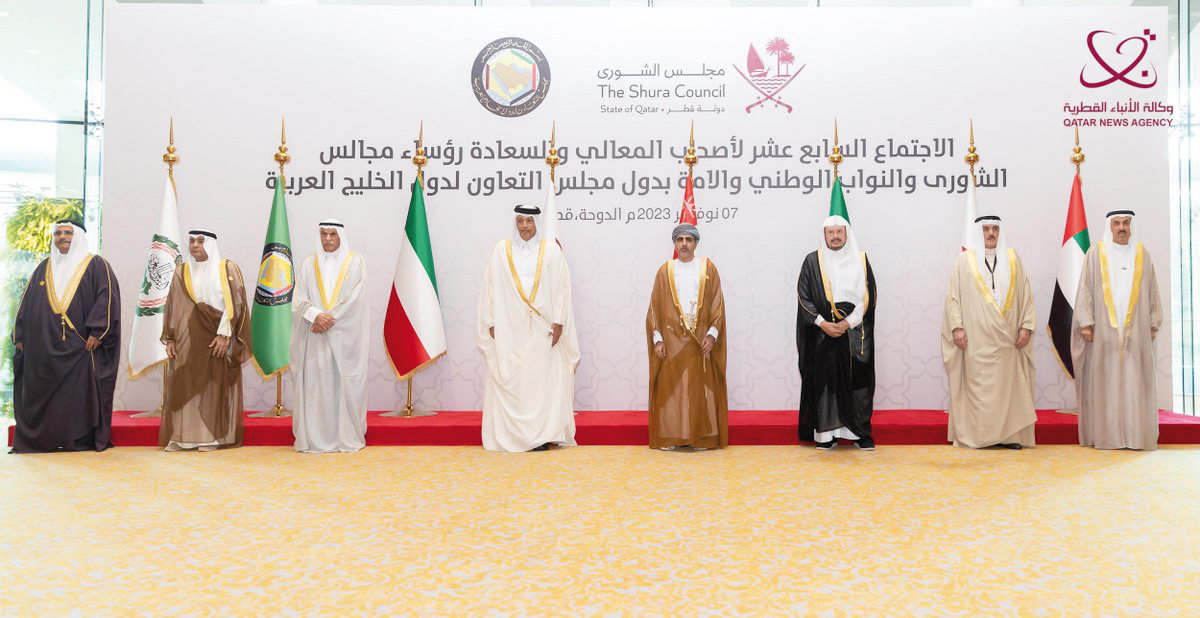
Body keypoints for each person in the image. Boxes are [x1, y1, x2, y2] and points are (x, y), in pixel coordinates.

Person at [11, 220, 120, 453]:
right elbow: (27, 303)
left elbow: (106, 299)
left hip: (81, 347)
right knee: (45, 394)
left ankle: (77, 439)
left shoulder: (96, 265)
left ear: (78, 236)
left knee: (77, 395)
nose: (63, 237)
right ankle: (46, 439)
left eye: (68, 233)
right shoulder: (44, 267)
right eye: (59, 233)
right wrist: (19, 335)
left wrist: (98, 331)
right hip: (44, 347)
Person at [477, 205, 579, 452]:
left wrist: (559, 322)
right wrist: (490, 321)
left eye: (529, 222)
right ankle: (512, 434)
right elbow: (489, 287)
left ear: (537, 224)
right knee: (514, 379)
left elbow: (563, 289)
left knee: (541, 381)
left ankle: (541, 435)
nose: (524, 226)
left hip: (544, 329)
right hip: (508, 327)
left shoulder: (552, 252)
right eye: (520, 221)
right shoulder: (501, 251)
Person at [941, 216, 1037, 449]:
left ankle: (1008, 437)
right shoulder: (964, 260)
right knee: (980, 390)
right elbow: (952, 297)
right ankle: (980, 437)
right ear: (978, 233)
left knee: (1007, 391)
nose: (990, 233)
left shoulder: (1013, 259)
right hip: (975, 339)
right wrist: (957, 327)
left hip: (1008, 339)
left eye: (995, 229)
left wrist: (1026, 326)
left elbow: (1026, 294)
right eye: (985, 229)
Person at [1071, 210, 1163, 450]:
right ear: (1109, 227)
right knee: (1106, 383)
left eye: (1126, 223)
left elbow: (1152, 292)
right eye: (1117, 223)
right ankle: (1108, 436)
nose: (1122, 227)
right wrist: (1085, 322)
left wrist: (1153, 323)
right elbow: (1085, 290)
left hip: (1136, 332)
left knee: (1136, 383)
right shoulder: (1095, 254)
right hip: (1103, 333)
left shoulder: (1143, 254)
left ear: (1131, 226)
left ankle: (1135, 436)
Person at [159, 229, 251, 451]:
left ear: (210, 244)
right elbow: (174, 306)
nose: (195, 245)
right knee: (187, 382)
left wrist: (224, 335)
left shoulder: (227, 268)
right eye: (191, 241)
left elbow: (236, 305)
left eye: (200, 241)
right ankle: (183, 438)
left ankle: (212, 438)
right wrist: (171, 338)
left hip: (218, 336)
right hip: (191, 337)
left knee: (214, 383)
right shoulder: (182, 270)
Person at [797, 215, 877, 450]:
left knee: (858, 382)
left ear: (846, 234)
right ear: (824, 235)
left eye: (839, 232)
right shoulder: (812, 261)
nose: (834, 236)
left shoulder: (861, 260)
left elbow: (869, 296)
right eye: (830, 233)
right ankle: (826, 434)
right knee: (825, 383)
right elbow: (803, 296)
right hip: (822, 332)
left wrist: (847, 323)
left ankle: (859, 433)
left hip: (854, 331)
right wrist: (822, 323)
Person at [645, 223, 728, 451]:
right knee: (671, 389)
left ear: (696, 243)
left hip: (700, 340)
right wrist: (657, 339)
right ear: (674, 243)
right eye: (680, 239)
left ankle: (700, 438)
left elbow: (717, 304)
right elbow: (654, 307)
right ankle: (672, 437)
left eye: (688, 240)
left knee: (697, 390)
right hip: (671, 341)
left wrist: (712, 334)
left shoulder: (707, 268)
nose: (684, 244)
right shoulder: (665, 271)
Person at [291, 220, 369, 453]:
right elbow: (299, 298)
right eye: (324, 234)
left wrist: (327, 319)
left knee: (346, 384)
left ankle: (346, 437)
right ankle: (314, 439)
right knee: (315, 386)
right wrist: (315, 315)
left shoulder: (356, 263)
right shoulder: (307, 264)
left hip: (345, 337)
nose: (327, 239)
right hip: (314, 337)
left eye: (332, 234)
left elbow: (357, 299)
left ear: (340, 236)